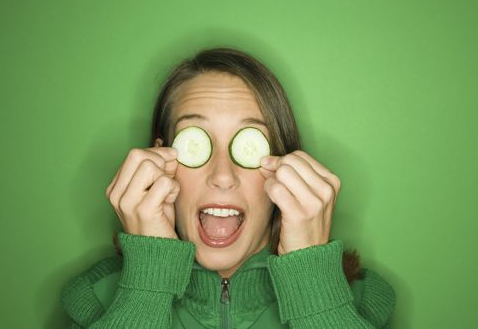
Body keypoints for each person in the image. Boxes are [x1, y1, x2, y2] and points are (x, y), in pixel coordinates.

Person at [61, 47, 396, 328]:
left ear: (285, 168)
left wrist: (316, 286)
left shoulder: (362, 300)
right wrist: (146, 285)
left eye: (252, 144)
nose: (222, 175)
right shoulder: (94, 298)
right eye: (196, 142)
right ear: (157, 163)